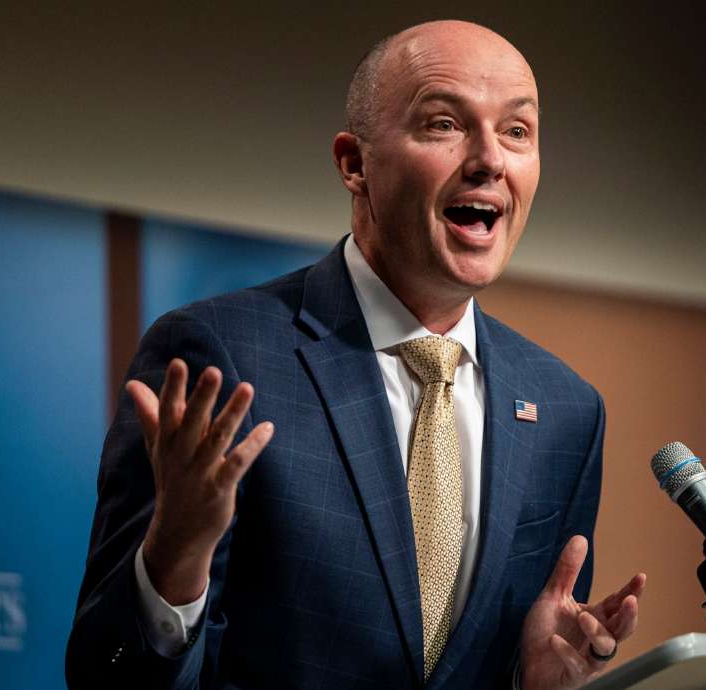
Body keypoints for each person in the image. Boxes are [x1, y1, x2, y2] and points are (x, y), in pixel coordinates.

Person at [66, 19, 645, 690]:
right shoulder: (224, 354)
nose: (491, 159)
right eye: (443, 125)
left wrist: (533, 684)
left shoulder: (567, 410)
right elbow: (105, 676)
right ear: (354, 163)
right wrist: (174, 557)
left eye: (517, 131)